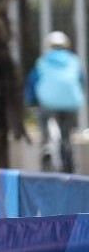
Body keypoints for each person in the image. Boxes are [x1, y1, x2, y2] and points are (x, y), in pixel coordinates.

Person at [24, 30, 85, 173]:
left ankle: (46, 147)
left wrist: (30, 101)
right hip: (71, 103)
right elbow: (81, 82)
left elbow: (32, 83)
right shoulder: (74, 61)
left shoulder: (42, 61)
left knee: (45, 127)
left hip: (47, 103)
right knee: (66, 134)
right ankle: (68, 155)